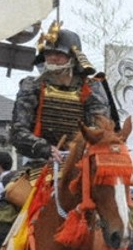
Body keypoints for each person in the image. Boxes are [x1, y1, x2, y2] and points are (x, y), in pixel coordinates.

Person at [9, 22, 111, 170]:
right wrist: (45, 149)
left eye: (59, 54)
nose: (53, 58)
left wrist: (79, 150)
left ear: (73, 57)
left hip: (81, 162)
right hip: (41, 161)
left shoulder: (92, 87)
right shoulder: (32, 86)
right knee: (12, 191)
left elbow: (100, 127)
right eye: (49, 53)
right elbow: (18, 130)